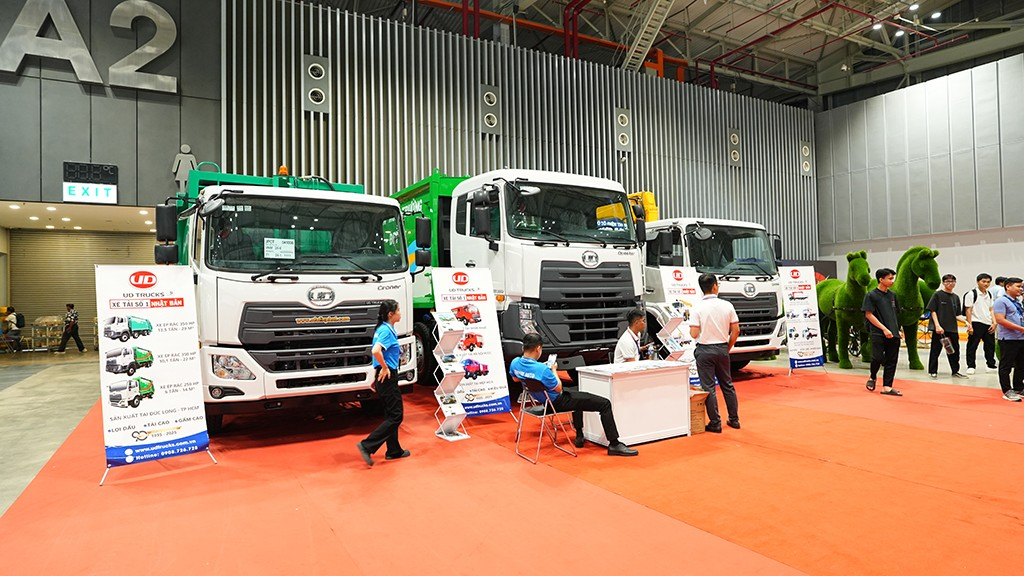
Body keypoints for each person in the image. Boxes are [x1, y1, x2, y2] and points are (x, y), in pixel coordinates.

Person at [510, 333, 638, 456]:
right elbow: (558, 388)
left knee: (578, 395)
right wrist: (553, 370)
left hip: (544, 401)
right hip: (557, 402)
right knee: (605, 404)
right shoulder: (542, 370)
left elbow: (516, 379)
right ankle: (614, 444)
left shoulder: (515, 363)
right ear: (538, 348)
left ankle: (579, 435)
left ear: (523, 348)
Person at [356, 300, 410, 466]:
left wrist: (377, 372)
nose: (400, 313)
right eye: (398, 310)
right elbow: (375, 351)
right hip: (387, 376)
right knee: (396, 416)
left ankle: (393, 450)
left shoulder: (382, 329)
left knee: (390, 414)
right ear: (390, 314)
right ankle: (367, 445)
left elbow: (378, 354)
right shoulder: (386, 331)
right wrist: (385, 368)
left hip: (382, 377)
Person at [689, 273, 741, 432]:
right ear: (714, 286)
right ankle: (734, 419)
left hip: (704, 350)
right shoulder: (727, 305)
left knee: (708, 387)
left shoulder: (697, 307)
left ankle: (715, 423)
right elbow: (736, 330)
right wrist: (727, 348)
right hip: (722, 348)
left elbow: (693, 334)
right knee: (727, 385)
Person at [863, 268, 902, 396]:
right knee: (877, 358)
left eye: (893, 278)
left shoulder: (893, 295)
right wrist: (884, 329)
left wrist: (898, 330)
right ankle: (873, 376)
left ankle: (887, 387)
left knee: (892, 360)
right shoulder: (871, 295)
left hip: (893, 333)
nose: (892, 281)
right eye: (890, 278)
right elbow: (868, 314)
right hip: (878, 332)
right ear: (881, 279)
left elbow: (895, 314)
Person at [926, 274, 968, 380]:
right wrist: (937, 326)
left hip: (952, 328)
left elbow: (957, 315)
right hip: (940, 329)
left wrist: (966, 322)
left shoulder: (955, 297)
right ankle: (933, 371)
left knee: (954, 351)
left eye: (952, 281)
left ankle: (955, 371)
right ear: (943, 283)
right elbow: (933, 311)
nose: (950, 283)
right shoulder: (937, 295)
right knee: (935, 351)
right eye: (947, 281)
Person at [993, 277, 1024, 402]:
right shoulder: (1001, 301)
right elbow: (1000, 320)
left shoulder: (1018, 302)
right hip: (1009, 338)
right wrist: (1021, 329)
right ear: (1008, 286)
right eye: (1018, 286)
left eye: (1022, 287)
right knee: (1006, 365)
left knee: (1021, 364)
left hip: (1021, 338)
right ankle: (1007, 390)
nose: (1021, 289)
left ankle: (1018, 387)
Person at [964, 273, 997, 375]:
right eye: (983, 281)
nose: (986, 284)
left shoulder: (989, 294)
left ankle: (991, 365)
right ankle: (971, 366)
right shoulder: (971, 294)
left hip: (988, 322)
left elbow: (991, 309)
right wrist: (969, 325)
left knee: (990, 345)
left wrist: (994, 322)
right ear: (978, 282)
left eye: (988, 282)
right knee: (972, 345)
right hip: (976, 322)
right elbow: (968, 310)